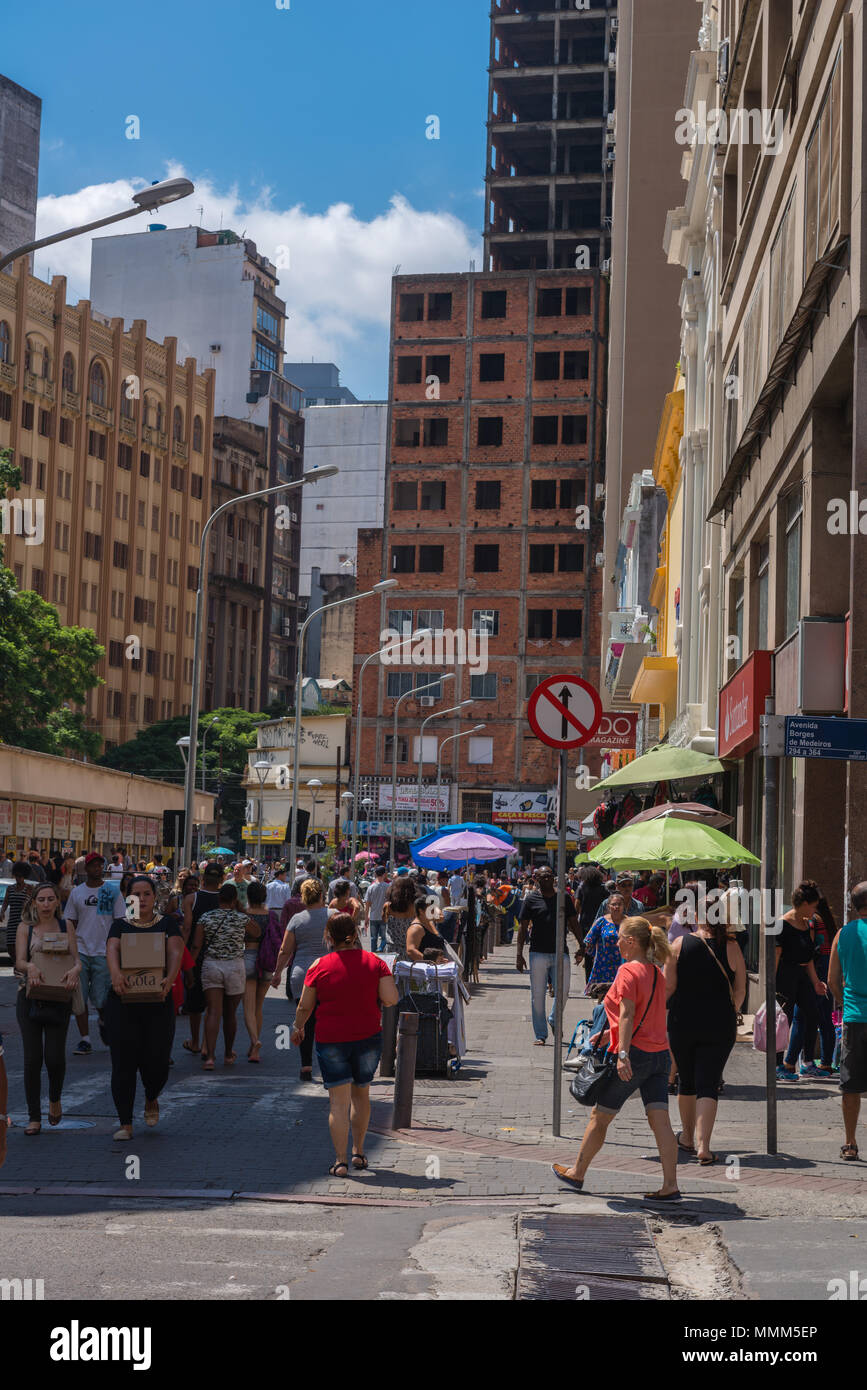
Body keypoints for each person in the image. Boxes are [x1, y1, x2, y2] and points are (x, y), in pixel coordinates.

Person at [552, 916, 680, 1202]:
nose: (616, 942)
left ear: (631, 942)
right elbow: (648, 1016)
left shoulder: (627, 971)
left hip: (635, 1055)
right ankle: (670, 1184)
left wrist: (621, 1053)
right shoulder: (657, 973)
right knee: (660, 1121)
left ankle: (577, 1172)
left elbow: (628, 1014)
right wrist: (610, 1036)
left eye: (620, 937)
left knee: (601, 1115)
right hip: (659, 1055)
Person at [291, 912, 399, 1176]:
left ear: (329, 937)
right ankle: (359, 1153)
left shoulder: (319, 965)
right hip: (367, 1036)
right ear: (356, 934)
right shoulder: (375, 962)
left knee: (337, 1102)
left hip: (332, 1039)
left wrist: (297, 1027)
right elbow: (391, 999)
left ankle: (340, 1162)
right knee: (361, 1095)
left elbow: (305, 1005)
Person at [104, 875, 183, 1139]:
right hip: (123, 1003)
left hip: (158, 1002)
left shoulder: (168, 925)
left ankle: (152, 1096)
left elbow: (175, 953)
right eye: (135, 894)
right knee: (123, 1063)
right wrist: (115, 974)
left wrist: (169, 979)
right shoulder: (119, 926)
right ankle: (125, 1123)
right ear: (128, 899)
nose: (141, 899)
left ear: (155, 897)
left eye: (146, 894)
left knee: (157, 1062)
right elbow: (112, 950)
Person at [664, 912, 746, 1165]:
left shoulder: (679, 944)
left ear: (699, 918)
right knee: (708, 1085)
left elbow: (668, 987)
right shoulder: (732, 947)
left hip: (682, 1022)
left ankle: (687, 1137)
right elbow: (741, 988)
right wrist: (731, 1010)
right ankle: (704, 1147)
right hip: (720, 1024)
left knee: (686, 1082)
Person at [15, 884, 81, 1134]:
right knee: (32, 1059)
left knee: (54, 1058)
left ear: (57, 903)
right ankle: (34, 1117)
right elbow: (19, 960)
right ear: (34, 903)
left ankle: (54, 1099)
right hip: (30, 997)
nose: (45, 904)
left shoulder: (66, 927)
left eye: (50, 899)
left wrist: (76, 970)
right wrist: (29, 968)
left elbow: (77, 960)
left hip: (58, 997)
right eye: (41, 899)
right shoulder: (26, 928)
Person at [63, 852, 122, 1054]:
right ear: (86, 869)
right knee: (79, 999)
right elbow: (70, 922)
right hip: (80, 953)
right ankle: (85, 1039)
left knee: (101, 999)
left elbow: (120, 921)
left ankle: (104, 1021)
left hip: (104, 953)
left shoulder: (111, 892)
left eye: (100, 865)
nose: (97, 868)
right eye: (93, 865)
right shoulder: (76, 893)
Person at [516, 866, 582, 1046]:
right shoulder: (531, 899)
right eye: (543, 876)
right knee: (537, 995)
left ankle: (554, 1018)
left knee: (564, 991)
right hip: (537, 952)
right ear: (536, 879)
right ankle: (540, 1034)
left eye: (550, 876)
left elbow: (573, 922)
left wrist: (582, 945)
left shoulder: (564, 898)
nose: (547, 879)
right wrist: (518, 954)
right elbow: (523, 927)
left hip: (561, 952)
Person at [272, 879, 330, 1081]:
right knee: (327, 1021)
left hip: (302, 973)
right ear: (323, 894)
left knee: (305, 1020)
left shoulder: (297, 919)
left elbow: (285, 950)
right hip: (328, 972)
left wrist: (277, 973)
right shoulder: (335, 916)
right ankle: (328, 1064)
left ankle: (306, 1067)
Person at [829, 882, 867, 1160]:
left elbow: (832, 980)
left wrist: (846, 1003)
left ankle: (850, 1143)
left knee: (850, 1085)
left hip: (854, 1018)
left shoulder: (842, 934)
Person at [776, 881, 828, 1082]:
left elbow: (808, 959)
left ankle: (807, 1063)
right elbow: (775, 957)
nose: (816, 910)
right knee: (783, 1021)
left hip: (802, 976)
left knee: (812, 1014)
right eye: (814, 905)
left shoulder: (808, 923)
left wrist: (816, 982)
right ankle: (778, 1065)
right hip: (785, 978)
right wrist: (772, 986)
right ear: (804, 903)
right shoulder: (782, 924)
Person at [193, 882, 249, 1070]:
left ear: (219, 898)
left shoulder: (205, 918)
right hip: (234, 966)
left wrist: (188, 969)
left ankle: (209, 1057)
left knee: (213, 1011)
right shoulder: (242, 918)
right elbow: (257, 932)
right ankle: (227, 1053)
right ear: (234, 899)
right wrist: (240, 909)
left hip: (212, 965)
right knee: (230, 1014)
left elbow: (196, 945)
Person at [180, 863, 223, 1054]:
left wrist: (180, 953)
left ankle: (196, 1041)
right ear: (222, 879)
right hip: (219, 955)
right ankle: (208, 1044)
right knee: (214, 1006)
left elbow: (187, 928)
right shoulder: (226, 899)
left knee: (195, 1003)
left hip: (195, 956)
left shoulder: (191, 899)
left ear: (203, 879)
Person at [241, 880, 271, 1062]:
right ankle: (254, 1049)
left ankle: (255, 1041)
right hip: (266, 960)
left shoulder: (244, 914)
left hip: (249, 957)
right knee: (259, 1007)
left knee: (248, 1007)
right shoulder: (271, 915)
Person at [582, 892, 627, 995]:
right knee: (603, 998)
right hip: (603, 966)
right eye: (614, 904)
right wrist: (582, 953)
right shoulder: (601, 921)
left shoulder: (629, 922)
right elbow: (588, 940)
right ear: (608, 906)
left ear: (623, 906)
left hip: (622, 965)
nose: (616, 907)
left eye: (619, 904)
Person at [383, 875, 418, 960]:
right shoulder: (415, 907)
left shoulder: (388, 906)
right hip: (410, 950)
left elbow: (384, 920)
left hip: (391, 950)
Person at [406, 897, 449, 964]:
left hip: (435, 969)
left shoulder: (430, 923)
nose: (434, 912)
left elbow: (441, 917)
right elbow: (411, 951)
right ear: (421, 911)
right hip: (425, 970)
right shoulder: (416, 928)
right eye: (431, 910)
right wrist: (431, 961)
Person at [363, 866, 390, 953]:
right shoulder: (388, 887)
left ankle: (373, 954)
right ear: (384, 874)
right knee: (384, 937)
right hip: (384, 916)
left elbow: (367, 904)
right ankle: (381, 949)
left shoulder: (371, 887)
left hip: (373, 916)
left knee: (373, 938)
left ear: (375, 874)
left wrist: (366, 917)